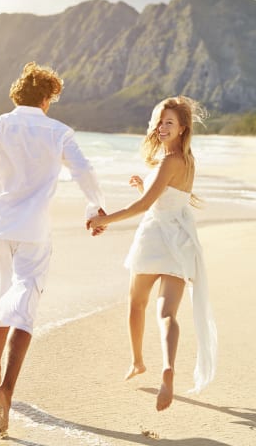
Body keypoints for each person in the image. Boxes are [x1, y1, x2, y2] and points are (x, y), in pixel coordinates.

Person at [0, 62, 106, 434]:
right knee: (25, 305)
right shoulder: (58, 132)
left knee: (1, 292)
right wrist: (94, 206)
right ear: (45, 97)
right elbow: (84, 171)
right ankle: (6, 388)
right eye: (52, 98)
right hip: (35, 231)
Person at [86, 96, 217, 411]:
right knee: (167, 314)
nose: (162, 126)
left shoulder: (168, 161)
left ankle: (138, 361)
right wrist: (142, 185)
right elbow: (167, 196)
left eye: (169, 122)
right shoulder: (187, 161)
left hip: (155, 237)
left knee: (136, 304)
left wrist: (104, 220)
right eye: (160, 121)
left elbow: (145, 207)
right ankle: (168, 366)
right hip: (182, 239)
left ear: (183, 128)